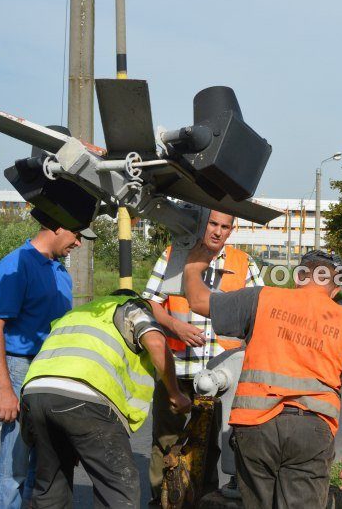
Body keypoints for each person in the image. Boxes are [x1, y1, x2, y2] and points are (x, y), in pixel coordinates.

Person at [183, 247, 342, 508]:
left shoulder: (262, 299)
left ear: (298, 278)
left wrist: (193, 266)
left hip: (255, 426)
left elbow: (198, 300)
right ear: (335, 288)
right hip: (312, 431)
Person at [20, 292, 192, 508]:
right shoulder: (133, 308)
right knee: (118, 486)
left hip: (35, 393)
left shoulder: (76, 314)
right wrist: (175, 393)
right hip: (86, 397)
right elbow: (157, 344)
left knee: (50, 486)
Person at [141, 210, 264, 502]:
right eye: (213, 224)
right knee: (166, 443)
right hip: (178, 371)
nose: (218, 231)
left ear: (231, 231)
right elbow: (149, 302)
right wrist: (174, 325)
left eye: (225, 226)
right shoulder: (175, 254)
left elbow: (260, 311)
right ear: (202, 224)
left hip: (221, 378)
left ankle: (203, 501)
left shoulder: (243, 263)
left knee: (209, 446)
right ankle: (162, 500)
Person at [0, 222, 95, 509]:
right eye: (77, 236)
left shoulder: (59, 269)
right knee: (15, 462)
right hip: (20, 367)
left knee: (44, 462)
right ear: (58, 227)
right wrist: (5, 390)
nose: (79, 244)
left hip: (49, 370)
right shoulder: (16, 264)